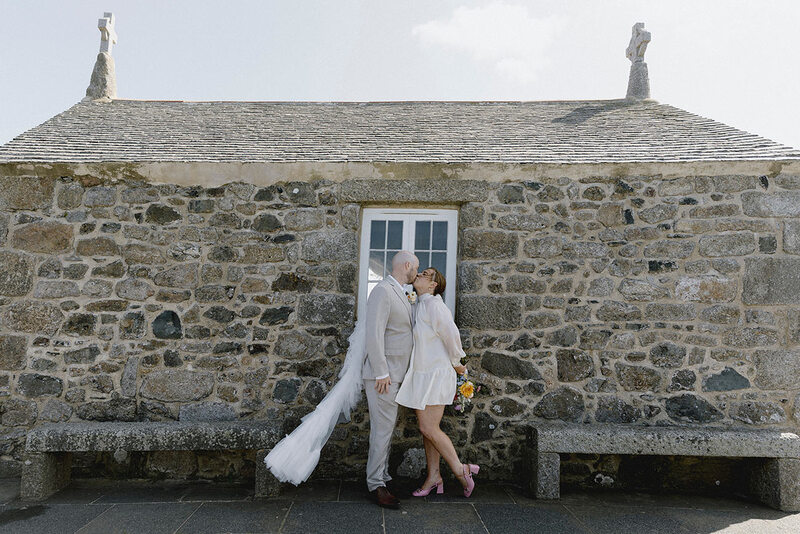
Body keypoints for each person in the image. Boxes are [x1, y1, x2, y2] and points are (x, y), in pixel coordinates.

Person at [395, 267, 480, 498]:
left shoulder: (434, 305)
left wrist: (459, 364)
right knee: (428, 431)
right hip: (423, 374)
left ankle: (461, 470)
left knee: (428, 427)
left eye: (425, 274)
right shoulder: (420, 304)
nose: (420, 274)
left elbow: (451, 335)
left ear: (433, 285)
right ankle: (434, 478)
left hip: (435, 374)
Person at [362, 250, 419, 508]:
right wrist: (382, 372)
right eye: (415, 269)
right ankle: (376, 484)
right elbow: (373, 334)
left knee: (386, 430)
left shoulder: (402, 292)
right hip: (382, 376)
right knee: (382, 430)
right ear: (407, 265)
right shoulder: (383, 291)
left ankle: (383, 477)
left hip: (396, 374)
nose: (416, 274)